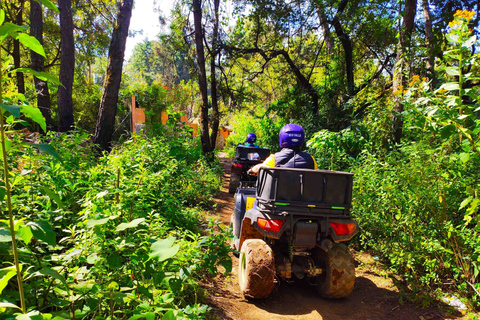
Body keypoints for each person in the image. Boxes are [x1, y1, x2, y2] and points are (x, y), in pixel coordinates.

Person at [249, 123, 317, 175]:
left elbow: (260, 168)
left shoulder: (274, 159)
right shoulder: (311, 160)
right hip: (304, 194)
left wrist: (251, 170)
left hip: (279, 194)